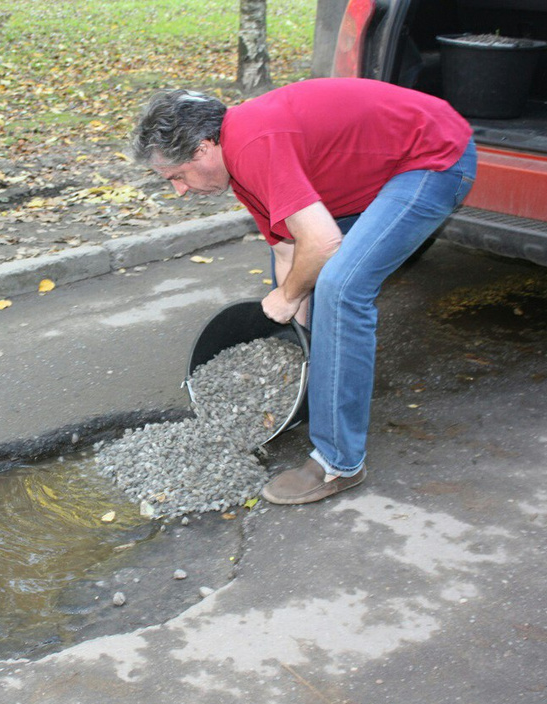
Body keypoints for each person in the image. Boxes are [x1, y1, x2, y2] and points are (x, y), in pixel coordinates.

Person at [132, 77, 476, 504]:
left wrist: (289, 296)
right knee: (301, 281)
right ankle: (315, 396)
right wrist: (293, 320)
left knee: (341, 287)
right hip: (384, 168)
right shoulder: (241, 170)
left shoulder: (253, 144)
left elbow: (323, 244)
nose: (179, 191)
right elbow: (288, 252)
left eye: (177, 176)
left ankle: (339, 463)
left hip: (434, 156)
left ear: (203, 148)